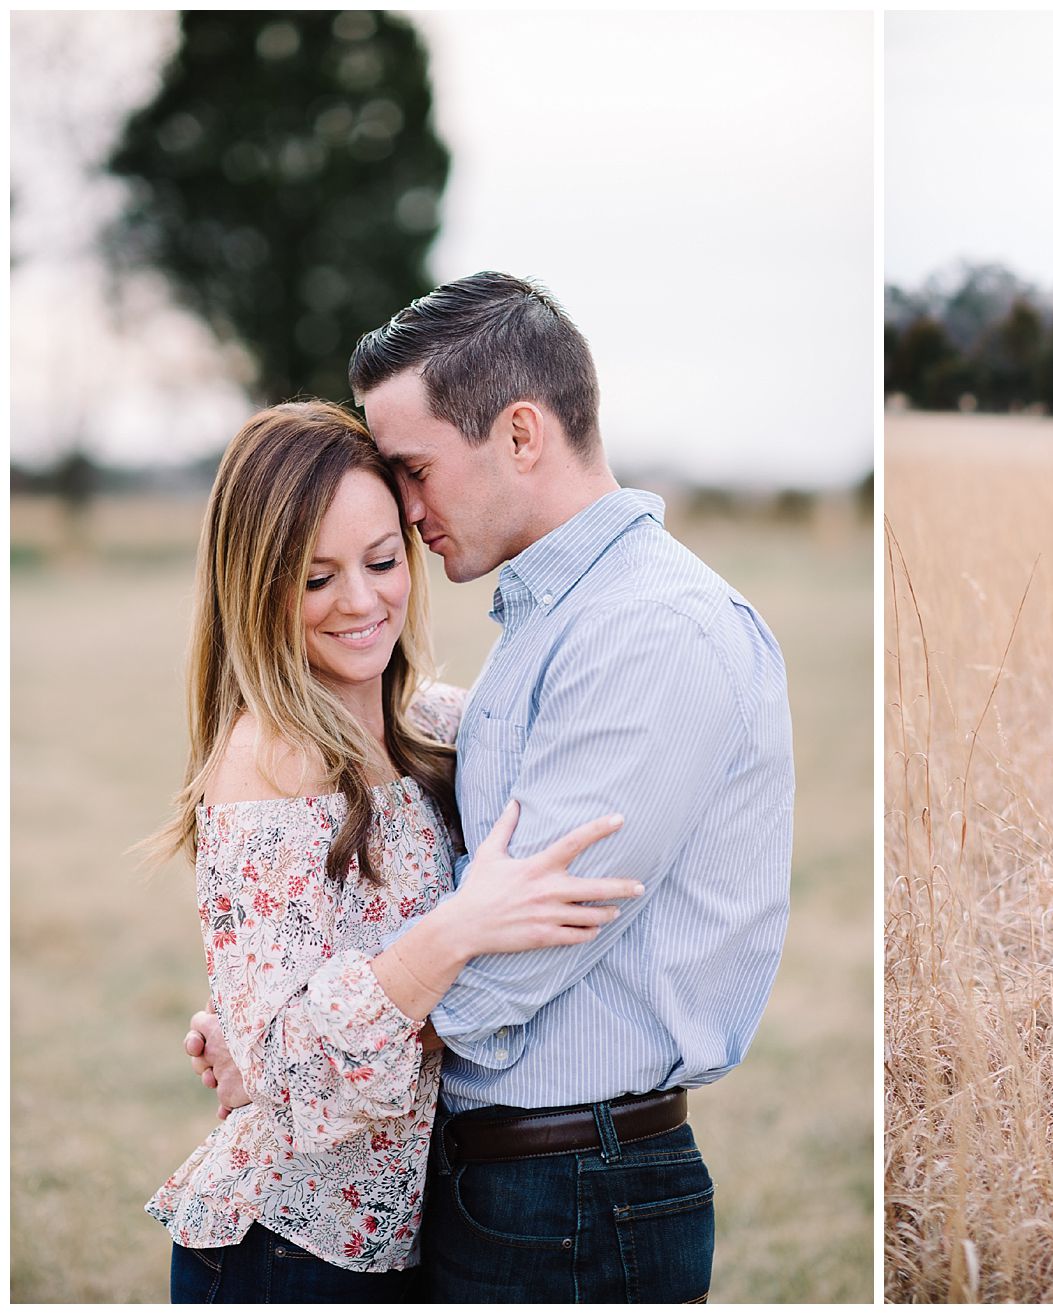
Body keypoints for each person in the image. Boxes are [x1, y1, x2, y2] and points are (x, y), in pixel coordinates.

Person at [189, 273, 794, 1302]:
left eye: (414, 476)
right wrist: (278, 1037)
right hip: (459, 1195)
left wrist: (295, 1061)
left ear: (521, 435)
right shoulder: (539, 629)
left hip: (568, 1190)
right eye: (319, 572)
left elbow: (515, 958)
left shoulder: (644, 631)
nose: (409, 519)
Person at [144, 401, 642, 1301]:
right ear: (257, 587)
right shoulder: (274, 756)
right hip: (290, 1247)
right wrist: (456, 931)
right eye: (316, 579)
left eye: (381, 562)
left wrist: (251, 1034)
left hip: (401, 1240)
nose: (363, 601)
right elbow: (291, 1075)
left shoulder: (430, 725)